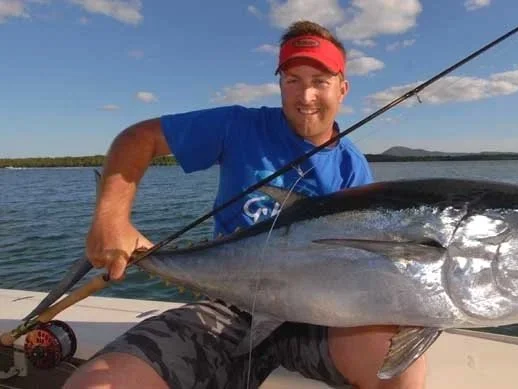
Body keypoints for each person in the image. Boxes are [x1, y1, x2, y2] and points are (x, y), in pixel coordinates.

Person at [63, 20, 427, 389]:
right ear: (280, 85)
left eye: (320, 81)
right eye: (293, 80)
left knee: (401, 372)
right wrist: (111, 219)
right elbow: (138, 138)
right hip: (227, 307)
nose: (305, 96)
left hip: (324, 317)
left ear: (343, 88)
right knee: (98, 385)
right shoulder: (238, 126)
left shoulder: (353, 167)